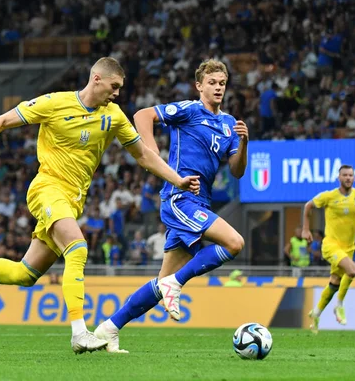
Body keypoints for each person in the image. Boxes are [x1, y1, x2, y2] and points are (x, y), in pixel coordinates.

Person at [0, 57, 200, 354]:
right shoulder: (55, 103)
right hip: (47, 188)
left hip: (73, 201)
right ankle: (79, 333)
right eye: (114, 86)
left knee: (26, 273)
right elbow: (3, 120)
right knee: (78, 247)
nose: (117, 94)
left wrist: (177, 180)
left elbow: (143, 156)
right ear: (96, 79)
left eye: (120, 89)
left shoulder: (113, 116)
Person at [94, 59, 248, 353]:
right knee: (234, 242)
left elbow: (237, 170)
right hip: (180, 198)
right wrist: (152, 153)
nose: (218, 88)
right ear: (199, 86)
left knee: (161, 282)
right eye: (212, 83)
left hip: (201, 200)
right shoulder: (189, 110)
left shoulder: (229, 124)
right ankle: (176, 284)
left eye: (222, 83)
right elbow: (142, 116)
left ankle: (108, 329)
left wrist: (244, 144)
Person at [302, 165, 355, 334]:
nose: (348, 178)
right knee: (352, 270)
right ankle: (339, 305)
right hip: (330, 245)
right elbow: (308, 206)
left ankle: (316, 313)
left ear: (354, 178)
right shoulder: (329, 196)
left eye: (351, 175)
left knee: (334, 282)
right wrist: (306, 229)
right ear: (339, 178)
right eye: (345, 175)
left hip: (348, 247)